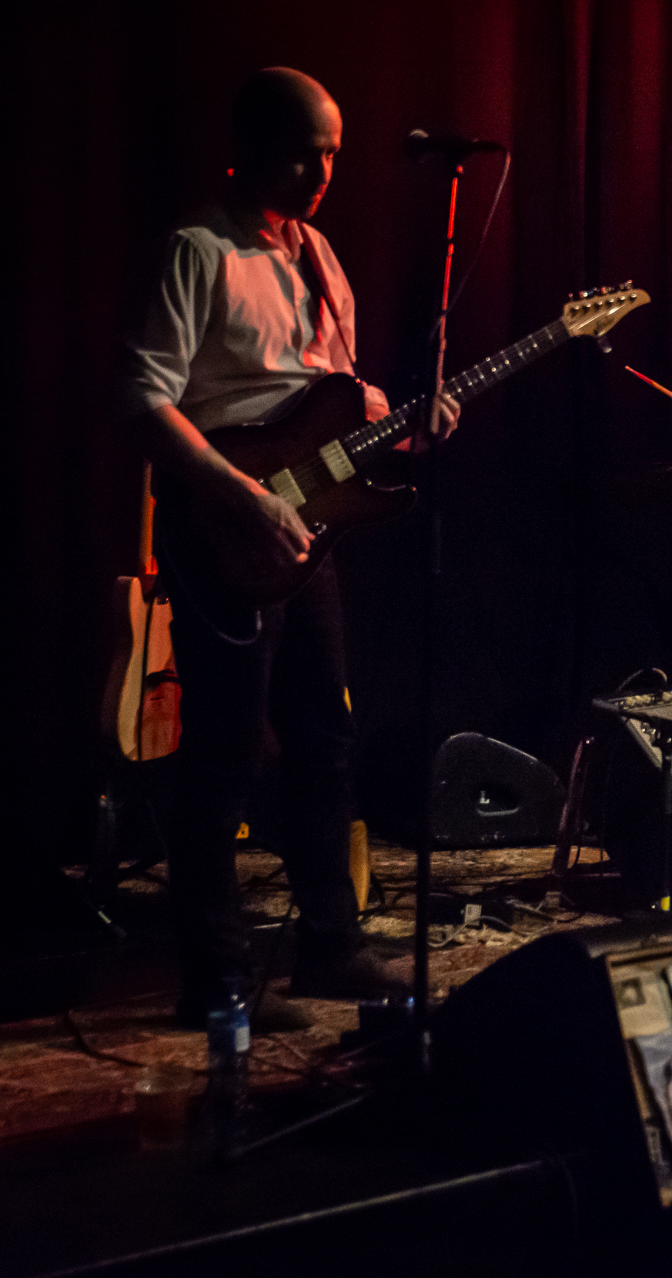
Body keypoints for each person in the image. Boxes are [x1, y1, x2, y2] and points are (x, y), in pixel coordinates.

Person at [121, 67, 459, 1029]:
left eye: (335, 155)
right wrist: (247, 497)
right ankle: (215, 977)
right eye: (308, 154)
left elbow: (334, 396)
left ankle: (330, 945)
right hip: (225, 524)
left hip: (309, 532)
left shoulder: (321, 256)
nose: (323, 174)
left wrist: (409, 425)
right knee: (224, 750)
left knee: (324, 738)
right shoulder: (200, 249)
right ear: (256, 146)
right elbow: (142, 397)